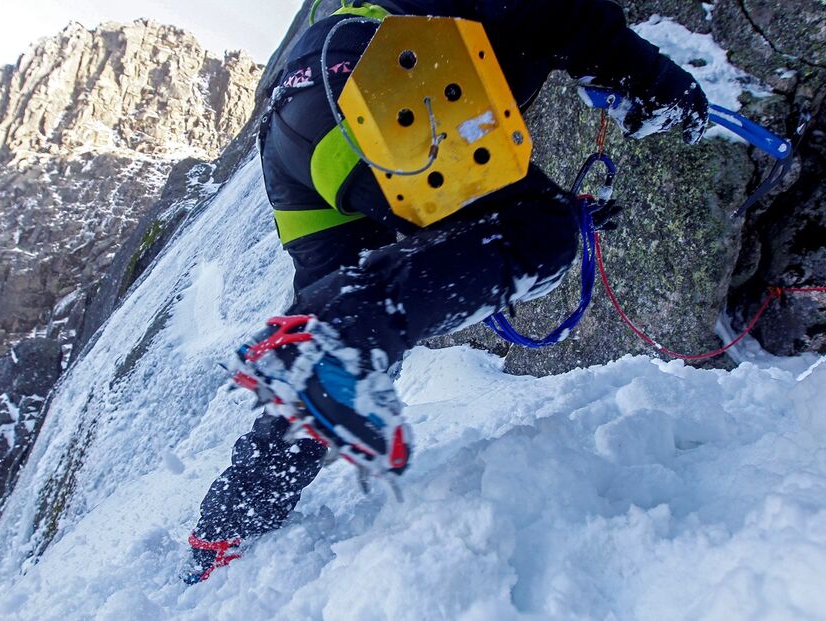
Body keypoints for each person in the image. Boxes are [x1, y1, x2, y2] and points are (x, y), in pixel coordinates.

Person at [185, 0, 708, 583]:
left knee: (332, 346)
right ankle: (330, 351)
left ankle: (230, 521)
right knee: (538, 236)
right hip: (372, 77)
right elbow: (569, 15)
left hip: (298, 122)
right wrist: (662, 83)